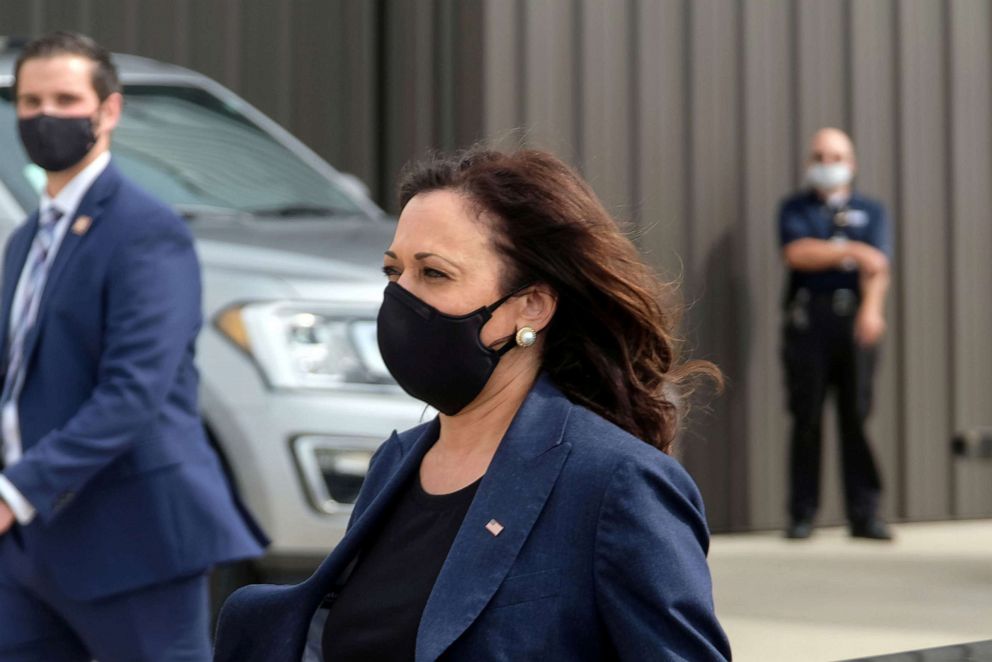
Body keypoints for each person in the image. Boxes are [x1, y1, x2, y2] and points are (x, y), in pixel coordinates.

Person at [215, 147, 732, 661]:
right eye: (393, 272)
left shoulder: (616, 482)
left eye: (434, 274)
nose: (400, 298)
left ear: (529, 306)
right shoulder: (394, 465)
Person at [0, 32, 267, 661]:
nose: (45, 116)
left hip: (131, 535)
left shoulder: (147, 231)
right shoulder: (26, 239)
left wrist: (15, 491)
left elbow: (134, 390)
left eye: (65, 99)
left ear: (109, 110)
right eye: (30, 101)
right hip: (30, 543)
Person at [778, 127, 893, 541]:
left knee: (856, 418)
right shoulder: (796, 208)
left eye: (836, 156)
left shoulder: (871, 211)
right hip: (810, 323)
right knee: (806, 417)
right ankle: (802, 513)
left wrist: (872, 309)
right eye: (820, 157)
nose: (828, 165)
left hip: (856, 320)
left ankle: (864, 514)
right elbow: (797, 253)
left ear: (852, 163)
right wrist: (851, 251)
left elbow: (878, 266)